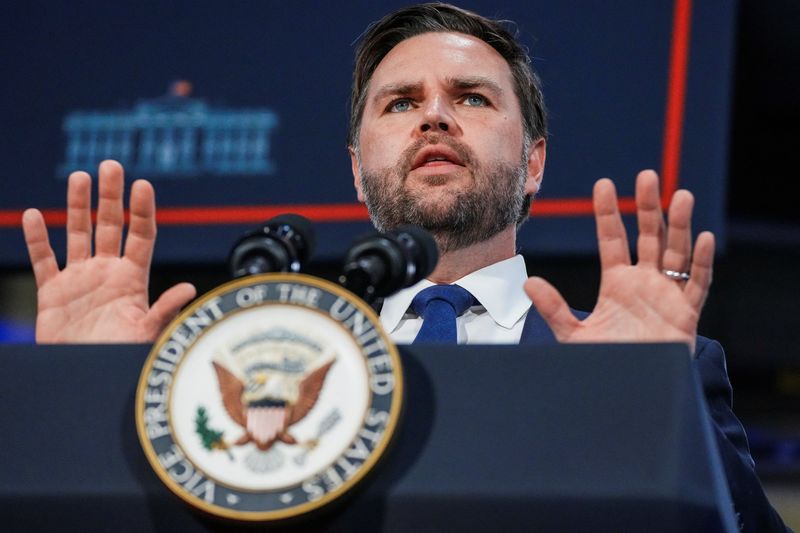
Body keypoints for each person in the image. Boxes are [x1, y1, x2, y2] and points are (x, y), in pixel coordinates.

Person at [20, 3, 788, 531]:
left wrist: (656, 406)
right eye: (400, 103)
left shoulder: (643, 364)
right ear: (357, 173)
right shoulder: (257, 364)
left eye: (472, 98)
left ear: (533, 165)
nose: (434, 116)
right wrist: (86, 408)